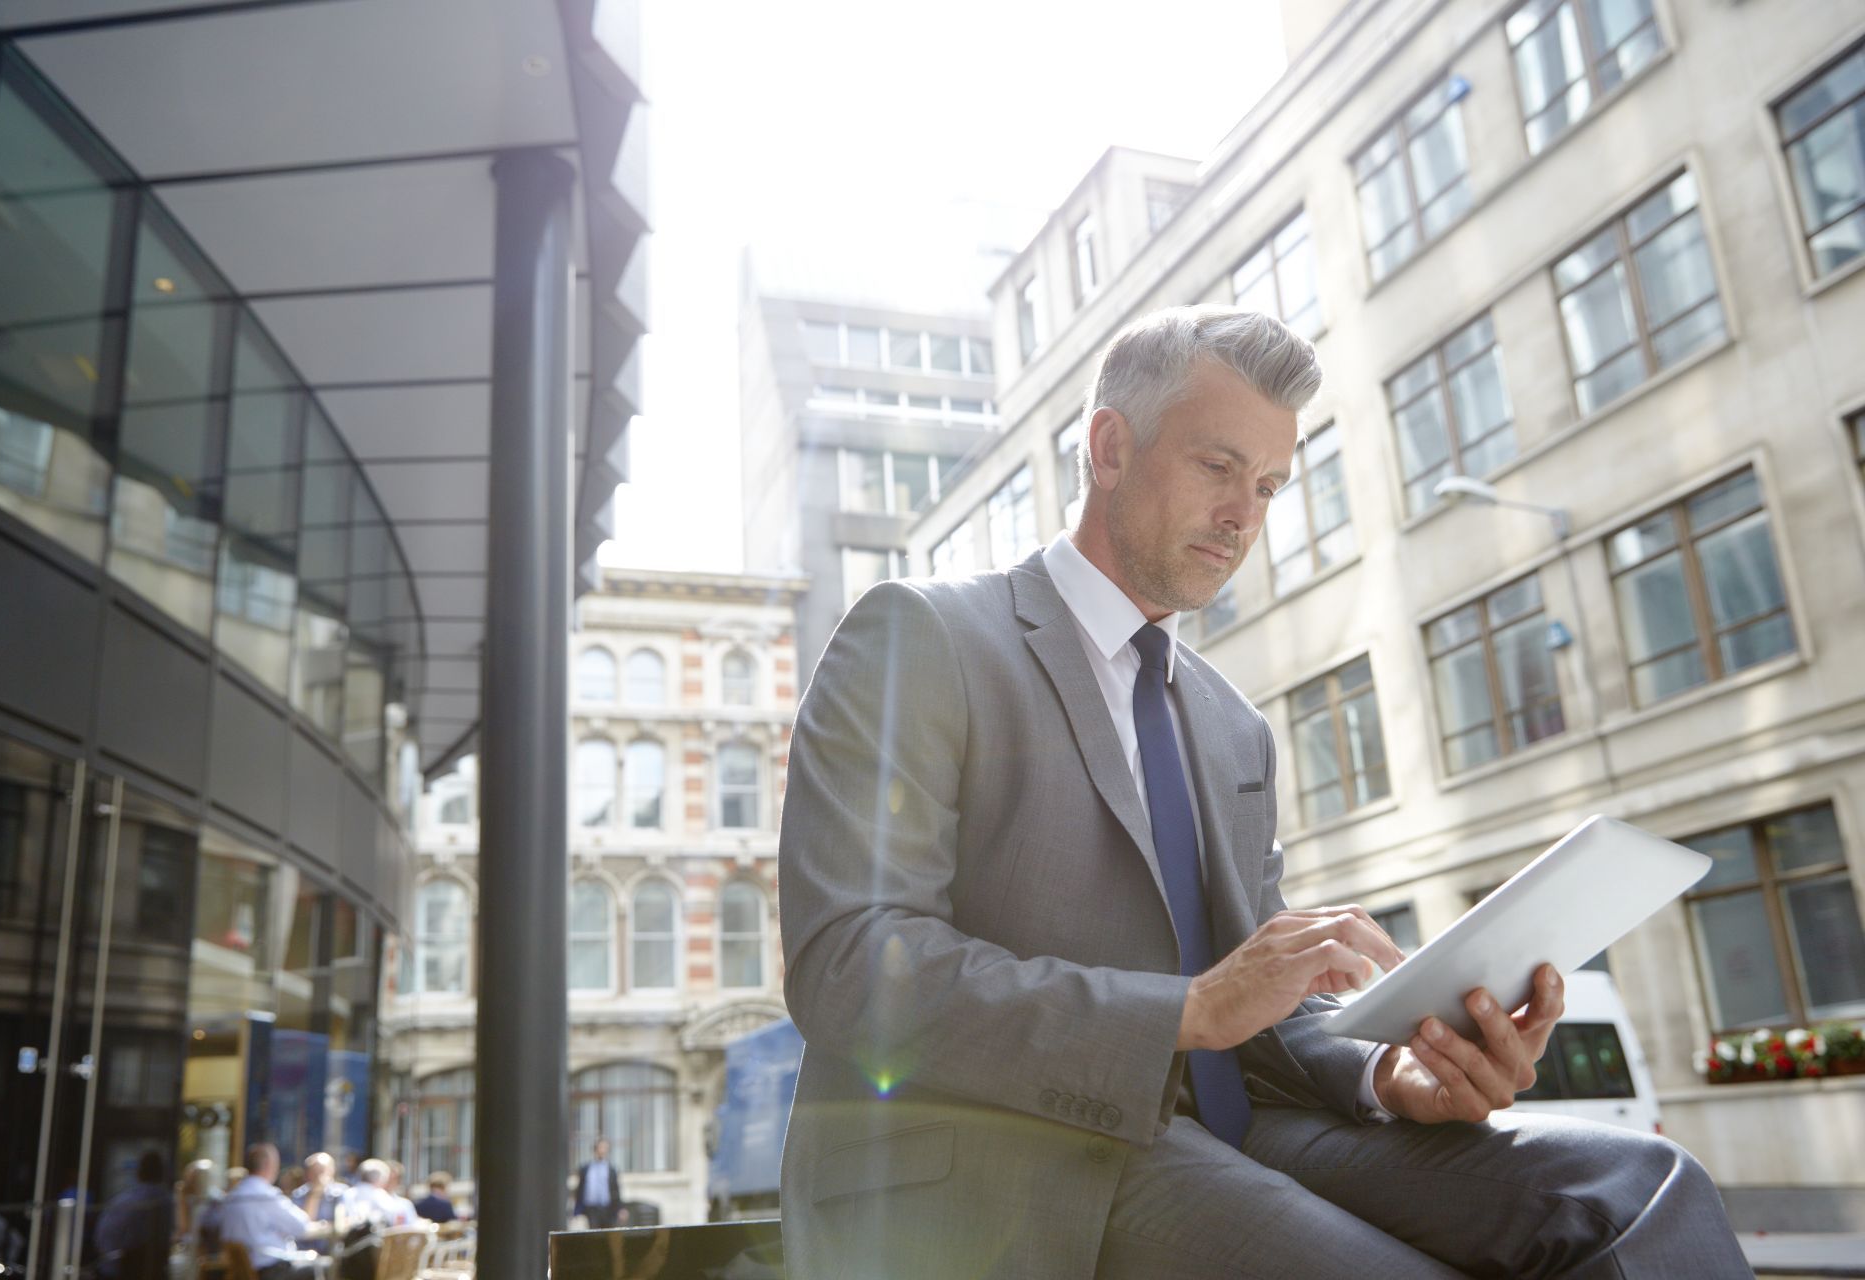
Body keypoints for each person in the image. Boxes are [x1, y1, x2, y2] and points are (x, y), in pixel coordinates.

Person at [777, 304, 1750, 1278]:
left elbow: (1262, 1014)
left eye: (1270, 484)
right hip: (1029, 1154)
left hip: (1253, 1128)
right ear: (1110, 447)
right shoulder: (923, 637)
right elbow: (848, 962)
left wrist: (1390, 1070)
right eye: (1216, 467)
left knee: (1644, 1188)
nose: (1245, 514)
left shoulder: (1230, 721)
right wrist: (1184, 1011)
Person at [218, 1144, 322, 1280]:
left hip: (242, 1270)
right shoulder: (265, 1196)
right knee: (320, 1266)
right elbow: (301, 1227)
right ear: (269, 1165)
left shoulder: (233, 1196)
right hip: (269, 1270)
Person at [94, 1151, 171, 1279]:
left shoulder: (125, 1202)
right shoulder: (168, 1202)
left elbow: (102, 1239)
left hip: (119, 1271)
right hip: (155, 1271)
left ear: (139, 1172)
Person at [572, 1138, 624, 1230]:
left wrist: (620, 1208)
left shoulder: (611, 1169)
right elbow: (580, 1189)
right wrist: (577, 1210)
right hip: (591, 1208)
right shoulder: (586, 1168)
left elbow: (616, 1190)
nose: (602, 1150)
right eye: (600, 1147)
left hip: (608, 1208)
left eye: (605, 1148)